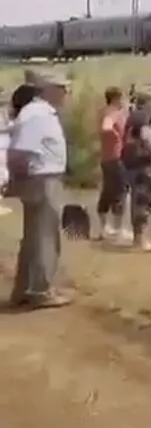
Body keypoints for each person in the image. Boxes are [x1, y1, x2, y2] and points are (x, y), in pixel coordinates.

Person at [8, 71, 72, 310]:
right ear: (48, 89)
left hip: (40, 178)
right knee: (45, 236)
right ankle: (40, 290)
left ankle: (25, 289)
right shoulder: (37, 115)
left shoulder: (38, 113)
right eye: (62, 88)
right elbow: (19, 151)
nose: (66, 93)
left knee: (35, 237)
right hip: (42, 179)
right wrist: (20, 179)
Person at [122, 86, 151, 252]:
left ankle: (139, 237)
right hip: (144, 164)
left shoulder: (136, 115)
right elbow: (147, 137)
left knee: (141, 199)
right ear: (148, 101)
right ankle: (140, 239)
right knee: (143, 199)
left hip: (137, 164)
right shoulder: (143, 116)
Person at [97, 86, 130, 241]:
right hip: (117, 157)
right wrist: (117, 135)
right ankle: (118, 228)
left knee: (108, 192)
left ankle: (104, 228)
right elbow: (106, 126)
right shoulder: (113, 113)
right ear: (117, 98)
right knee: (120, 191)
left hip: (106, 157)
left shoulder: (104, 111)